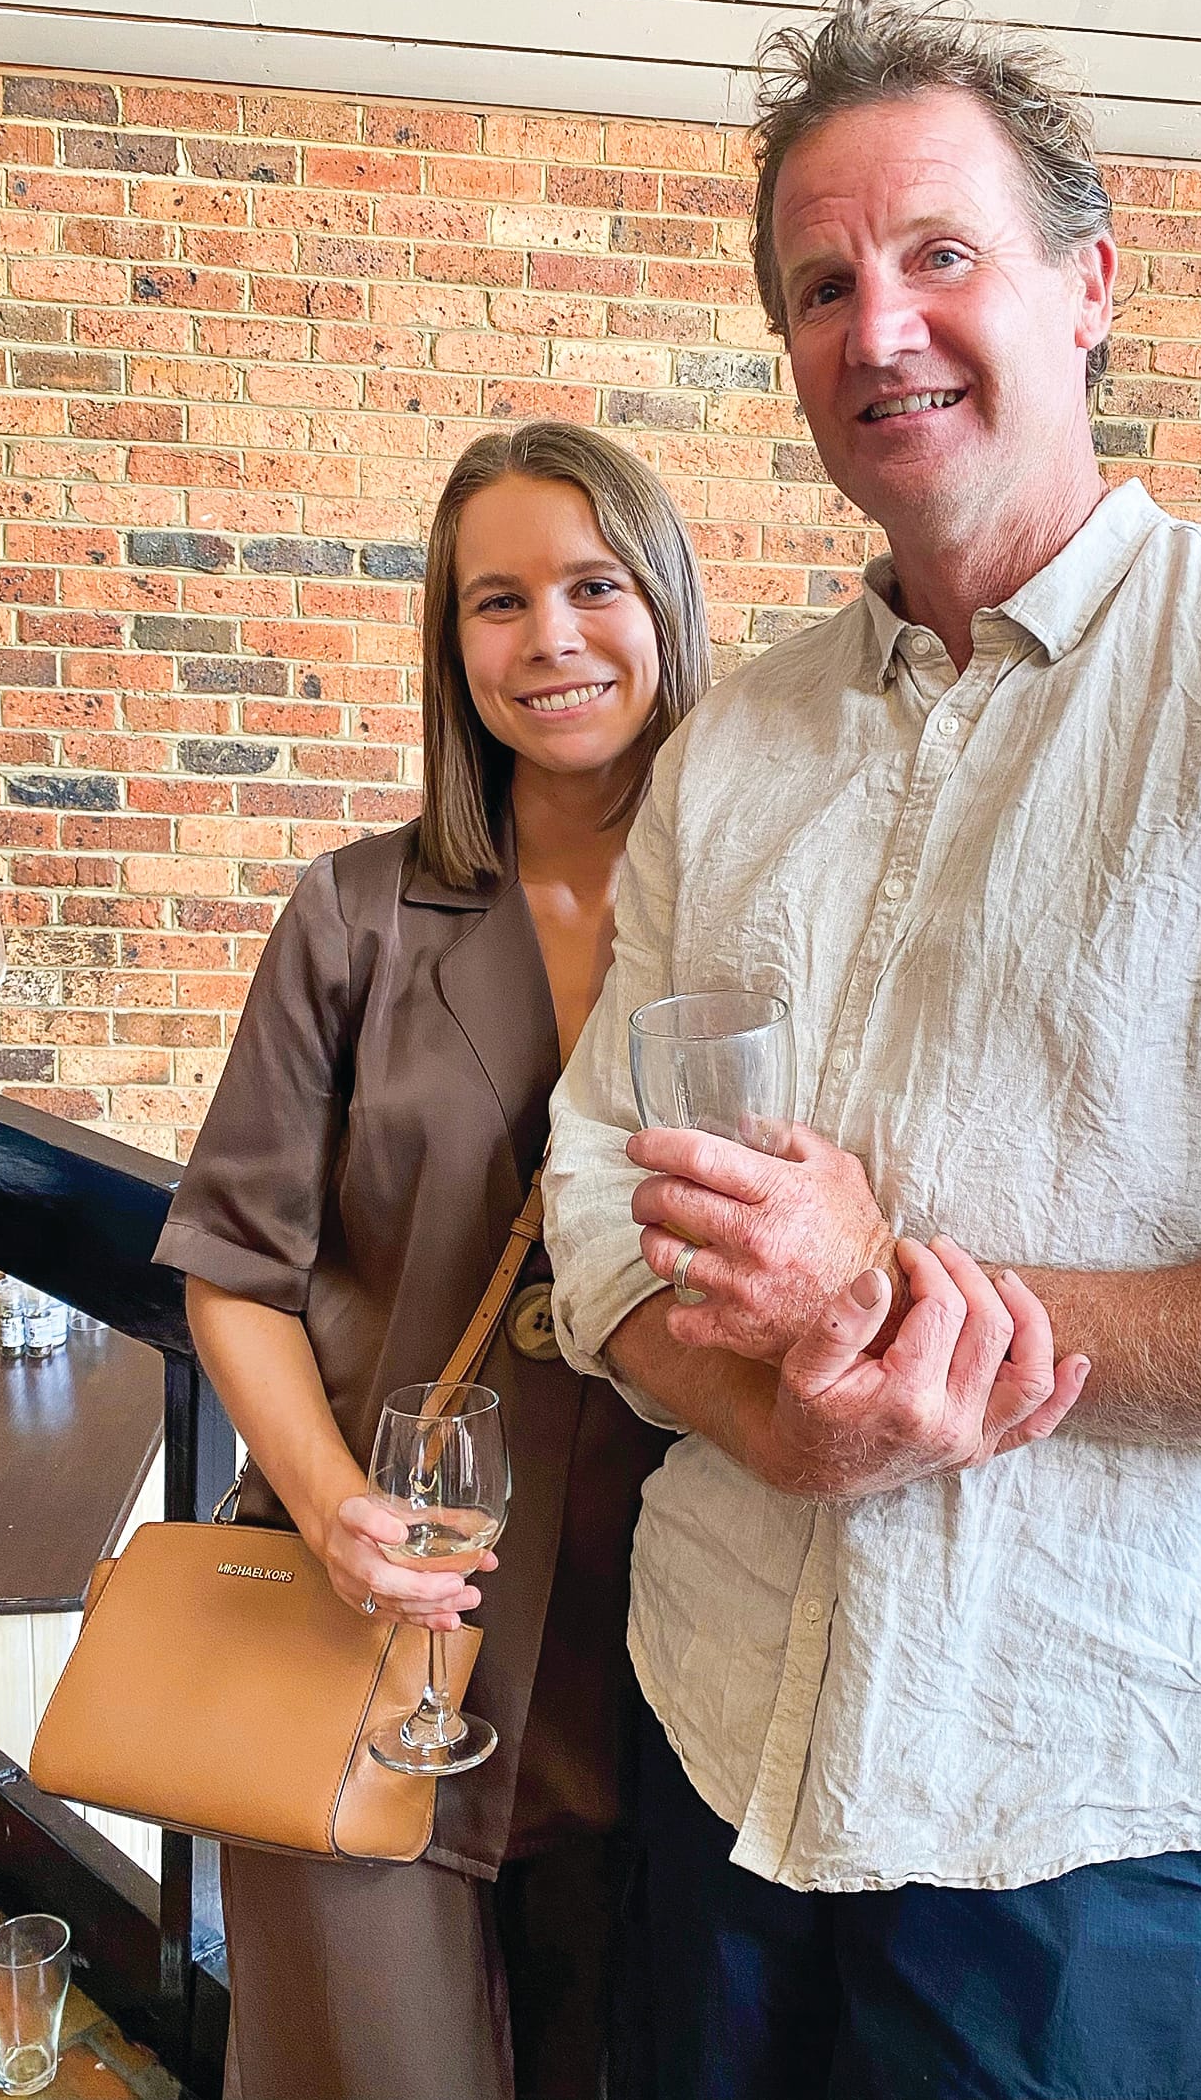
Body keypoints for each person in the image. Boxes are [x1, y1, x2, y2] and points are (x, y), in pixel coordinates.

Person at [543, 0, 1201, 2100]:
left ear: (1088, 285)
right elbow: (593, 1195)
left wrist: (886, 1299)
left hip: (1091, 1793)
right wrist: (771, 1418)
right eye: (819, 285)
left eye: (940, 253)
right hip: (720, 1716)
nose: (879, 327)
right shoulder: (733, 748)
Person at [154, 421, 714, 2100]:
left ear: (665, 606)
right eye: (499, 600)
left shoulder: (755, 925)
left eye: (594, 586)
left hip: (654, 1666)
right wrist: (334, 1510)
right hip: (371, 1644)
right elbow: (233, 1266)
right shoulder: (354, 918)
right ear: (450, 641)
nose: (551, 638)